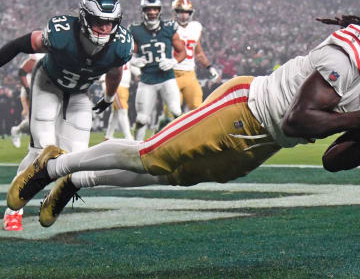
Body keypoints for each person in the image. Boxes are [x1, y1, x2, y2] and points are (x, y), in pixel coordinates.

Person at [8, 15, 360, 229]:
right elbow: (298, 120)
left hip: (265, 141)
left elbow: (332, 160)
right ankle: (52, 167)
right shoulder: (350, 54)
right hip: (245, 108)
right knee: (151, 152)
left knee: (170, 174)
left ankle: (78, 180)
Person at [1, 0, 133, 231]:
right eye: (98, 22)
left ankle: (53, 198)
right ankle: (13, 210)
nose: (105, 29)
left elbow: (115, 73)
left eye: (110, 23)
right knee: (42, 151)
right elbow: (22, 44)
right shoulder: (62, 34)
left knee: (78, 159)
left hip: (79, 93)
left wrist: (107, 97)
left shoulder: (121, 46)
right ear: (84, 17)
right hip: (47, 83)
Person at [157, 0, 220, 131]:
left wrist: (210, 67)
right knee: (172, 113)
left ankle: (196, 142)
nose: (184, 15)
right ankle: (161, 139)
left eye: (187, 12)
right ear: (175, 12)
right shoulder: (166, 27)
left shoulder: (196, 27)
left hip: (189, 74)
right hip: (171, 74)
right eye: (180, 11)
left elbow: (198, 52)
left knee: (198, 108)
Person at [129, 0, 186, 140]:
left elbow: (182, 51)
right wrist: (133, 60)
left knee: (176, 112)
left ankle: (181, 143)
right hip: (147, 79)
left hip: (167, 78)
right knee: (142, 119)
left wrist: (173, 61)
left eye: (155, 9)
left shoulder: (169, 27)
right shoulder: (135, 30)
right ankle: (137, 149)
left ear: (159, 11)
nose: (152, 12)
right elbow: (128, 54)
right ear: (143, 11)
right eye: (149, 9)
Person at [10, 53, 45, 148]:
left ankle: (33, 144)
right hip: (29, 94)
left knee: (43, 121)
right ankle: (18, 131)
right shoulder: (36, 59)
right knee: (32, 121)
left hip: (43, 95)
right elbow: (22, 74)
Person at [102, 62, 140, 141]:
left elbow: (129, 66)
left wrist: (139, 73)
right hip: (116, 85)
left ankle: (108, 136)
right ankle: (128, 136)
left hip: (124, 86)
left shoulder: (126, 53)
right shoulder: (116, 52)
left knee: (116, 112)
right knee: (122, 110)